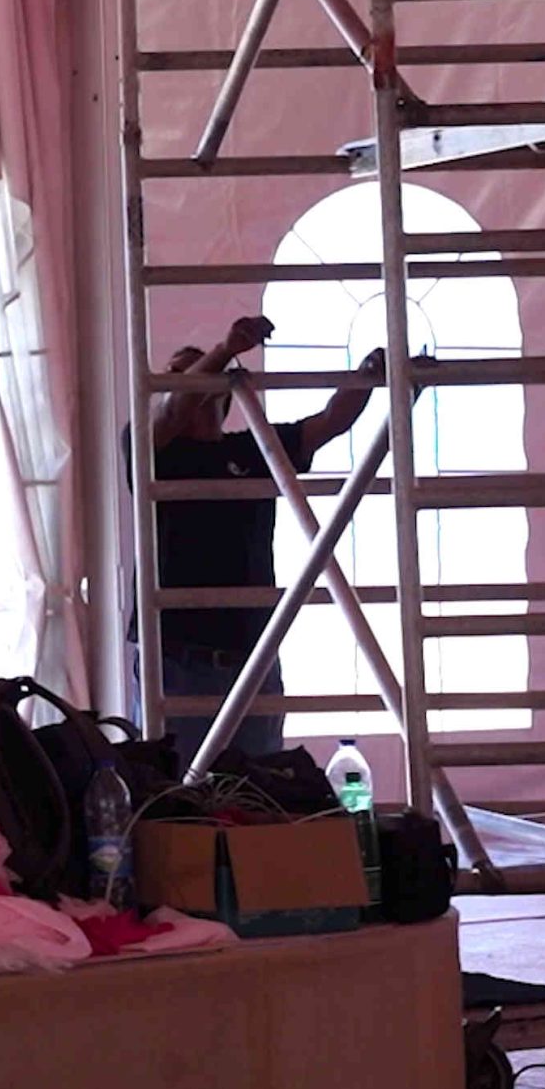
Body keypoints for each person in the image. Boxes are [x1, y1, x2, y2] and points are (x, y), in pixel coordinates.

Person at [144, 317, 403, 761]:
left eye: (201, 371)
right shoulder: (153, 452)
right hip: (179, 660)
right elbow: (171, 410)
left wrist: (372, 374)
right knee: (181, 791)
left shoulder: (254, 448)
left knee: (258, 792)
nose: (194, 380)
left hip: (254, 654)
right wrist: (224, 349)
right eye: (184, 373)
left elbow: (329, 421)